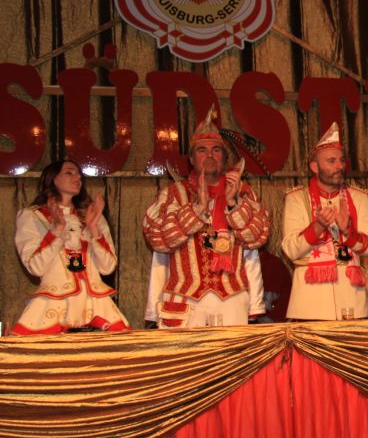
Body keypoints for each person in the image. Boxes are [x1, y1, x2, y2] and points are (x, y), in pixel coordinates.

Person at [143, 108, 268, 328]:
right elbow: (159, 240)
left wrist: (233, 203)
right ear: (192, 159)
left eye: (216, 150)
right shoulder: (173, 194)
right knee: (184, 353)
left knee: (232, 352)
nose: (210, 155)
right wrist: (197, 209)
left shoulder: (243, 192)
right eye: (202, 150)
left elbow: (257, 237)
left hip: (231, 299)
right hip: (185, 299)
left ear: (224, 158)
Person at [12, 159, 129, 334]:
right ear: (53, 178)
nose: (77, 178)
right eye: (69, 172)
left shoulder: (92, 216)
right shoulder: (32, 216)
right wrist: (57, 229)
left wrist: (93, 228)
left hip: (95, 304)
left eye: (79, 175)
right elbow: (36, 267)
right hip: (53, 304)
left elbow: (108, 267)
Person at [280, 122, 368, 320]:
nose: (339, 166)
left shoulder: (359, 198)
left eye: (341, 160)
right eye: (331, 161)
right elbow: (290, 250)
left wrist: (348, 231)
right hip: (310, 304)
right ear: (314, 167)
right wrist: (318, 226)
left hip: (352, 302)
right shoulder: (296, 199)